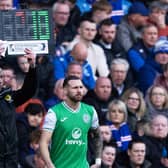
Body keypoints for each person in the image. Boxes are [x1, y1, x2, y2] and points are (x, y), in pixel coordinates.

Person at [40, 76, 102, 168]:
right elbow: (43, 142)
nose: (79, 91)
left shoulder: (90, 111)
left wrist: (98, 161)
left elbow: (97, 135)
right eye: (75, 88)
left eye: (81, 87)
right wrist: (49, 164)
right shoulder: (54, 112)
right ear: (65, 90)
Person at [0, 50, 37, 167]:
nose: (1, 79)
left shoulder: (8, 97)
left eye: (1, 77)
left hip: (10, 157)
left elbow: (29, 90)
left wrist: (32, 67)